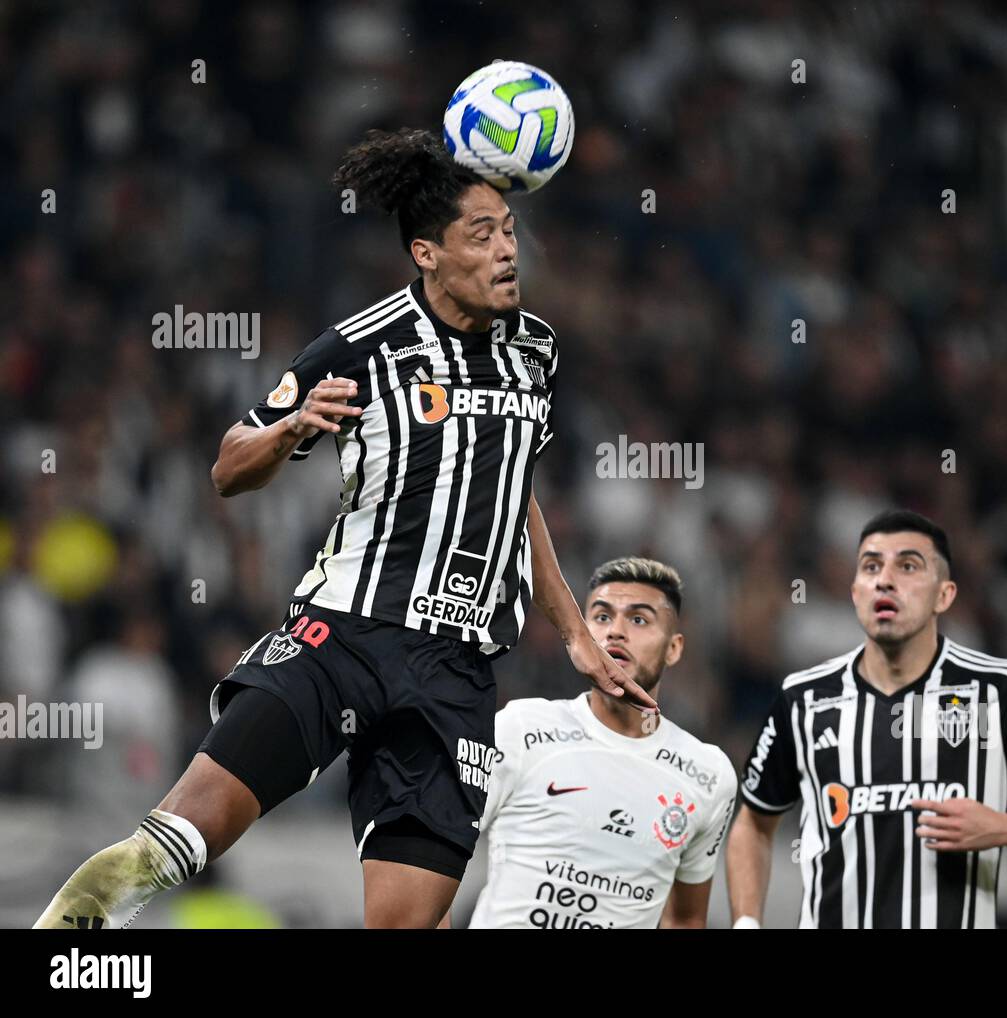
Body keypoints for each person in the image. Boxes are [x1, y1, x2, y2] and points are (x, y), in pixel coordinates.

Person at [34, 128, 654, 931]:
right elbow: (228, 466)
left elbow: (513, 490)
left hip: (455, 674)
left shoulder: (534, 351)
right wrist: (293, 426)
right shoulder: (360, 346)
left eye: (509, 230)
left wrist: (572, 628)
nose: (507, 250)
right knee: (179, 839)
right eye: (482, 234)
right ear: (427, 254)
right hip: (343, 639)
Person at [726, 509, 1007, 929]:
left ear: (944, 596)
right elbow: (753, 823)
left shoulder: (1000, 690)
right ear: (856, 592)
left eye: (908, 566)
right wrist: (747, 923)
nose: (885, 580)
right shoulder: (803, 698)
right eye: (871, 567)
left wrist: (1005, 828)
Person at [449, 557, 735, 929]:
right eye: (601, 617)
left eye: (639, 619)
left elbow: (684, 919)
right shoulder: (521, 729)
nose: (615, 631)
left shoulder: (708, 774)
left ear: (674, 648)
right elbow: (438, 858)